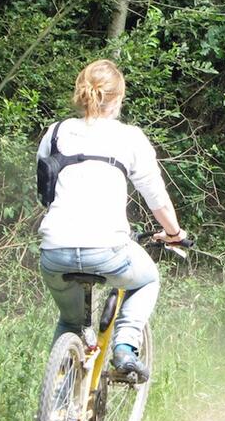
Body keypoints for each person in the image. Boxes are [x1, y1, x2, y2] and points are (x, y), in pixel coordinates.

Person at [37, 59, 186, 383]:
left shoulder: (56, 132)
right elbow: (156, 198)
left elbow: (44, 189)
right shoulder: (129, 138)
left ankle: (58, 408)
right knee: (147, 279)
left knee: (70, 322)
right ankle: (124, 347)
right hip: (107, 249)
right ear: (118, 99)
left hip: (55, 250)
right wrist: (174, 233)